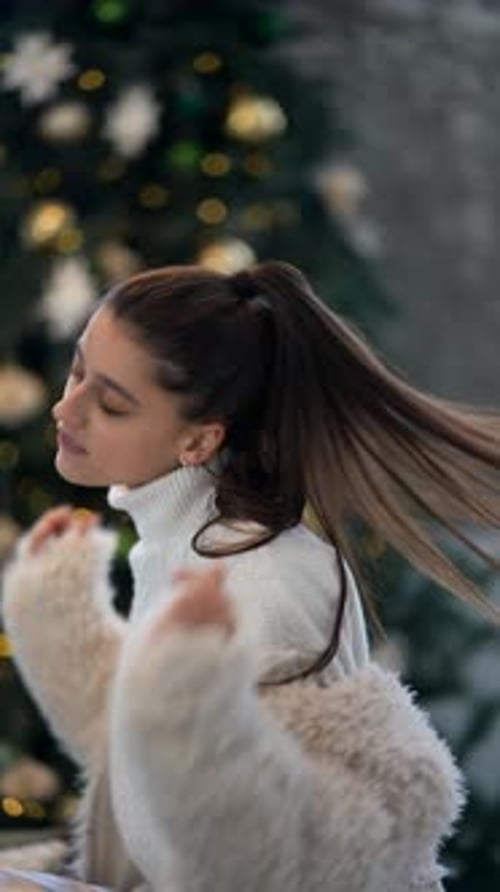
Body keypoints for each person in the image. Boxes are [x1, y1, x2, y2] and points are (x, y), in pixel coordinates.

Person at [3, 259, 499, 891]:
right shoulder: (184, 549)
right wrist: (56, 617)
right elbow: (150, 767)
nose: (63, 409)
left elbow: (280, 856)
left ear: (199, 442)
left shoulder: (261, 583)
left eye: (110, 404)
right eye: (77, 370)